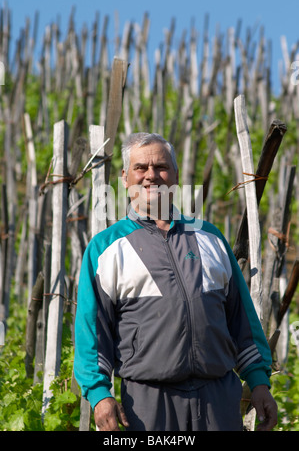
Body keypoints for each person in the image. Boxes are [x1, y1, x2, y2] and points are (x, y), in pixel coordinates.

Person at [74, 132, 277, 431]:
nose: (151, 176)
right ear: (125, 178)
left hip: (217, 400)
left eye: (161, 167)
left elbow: (242, 321)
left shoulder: (210, 238)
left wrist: (259, 382)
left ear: (176, 176)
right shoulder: (106, 248)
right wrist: (99, 394)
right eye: (141, 168)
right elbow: (92, 332)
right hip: (147, 403)